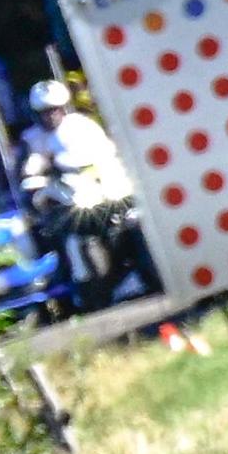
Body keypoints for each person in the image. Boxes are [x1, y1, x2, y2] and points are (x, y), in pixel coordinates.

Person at [19, 80, 154, 308]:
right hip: (68, 199)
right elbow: (31, 168)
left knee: (135, 222)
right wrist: (39, 171)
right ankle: (84, 291)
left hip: (105, 193)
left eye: (54, 109)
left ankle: (146, 271)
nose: (50, 116)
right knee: (68, 237)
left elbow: (107, 154)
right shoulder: (34, 138)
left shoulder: (83, 127)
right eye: (44, 112)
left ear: (64, 107)